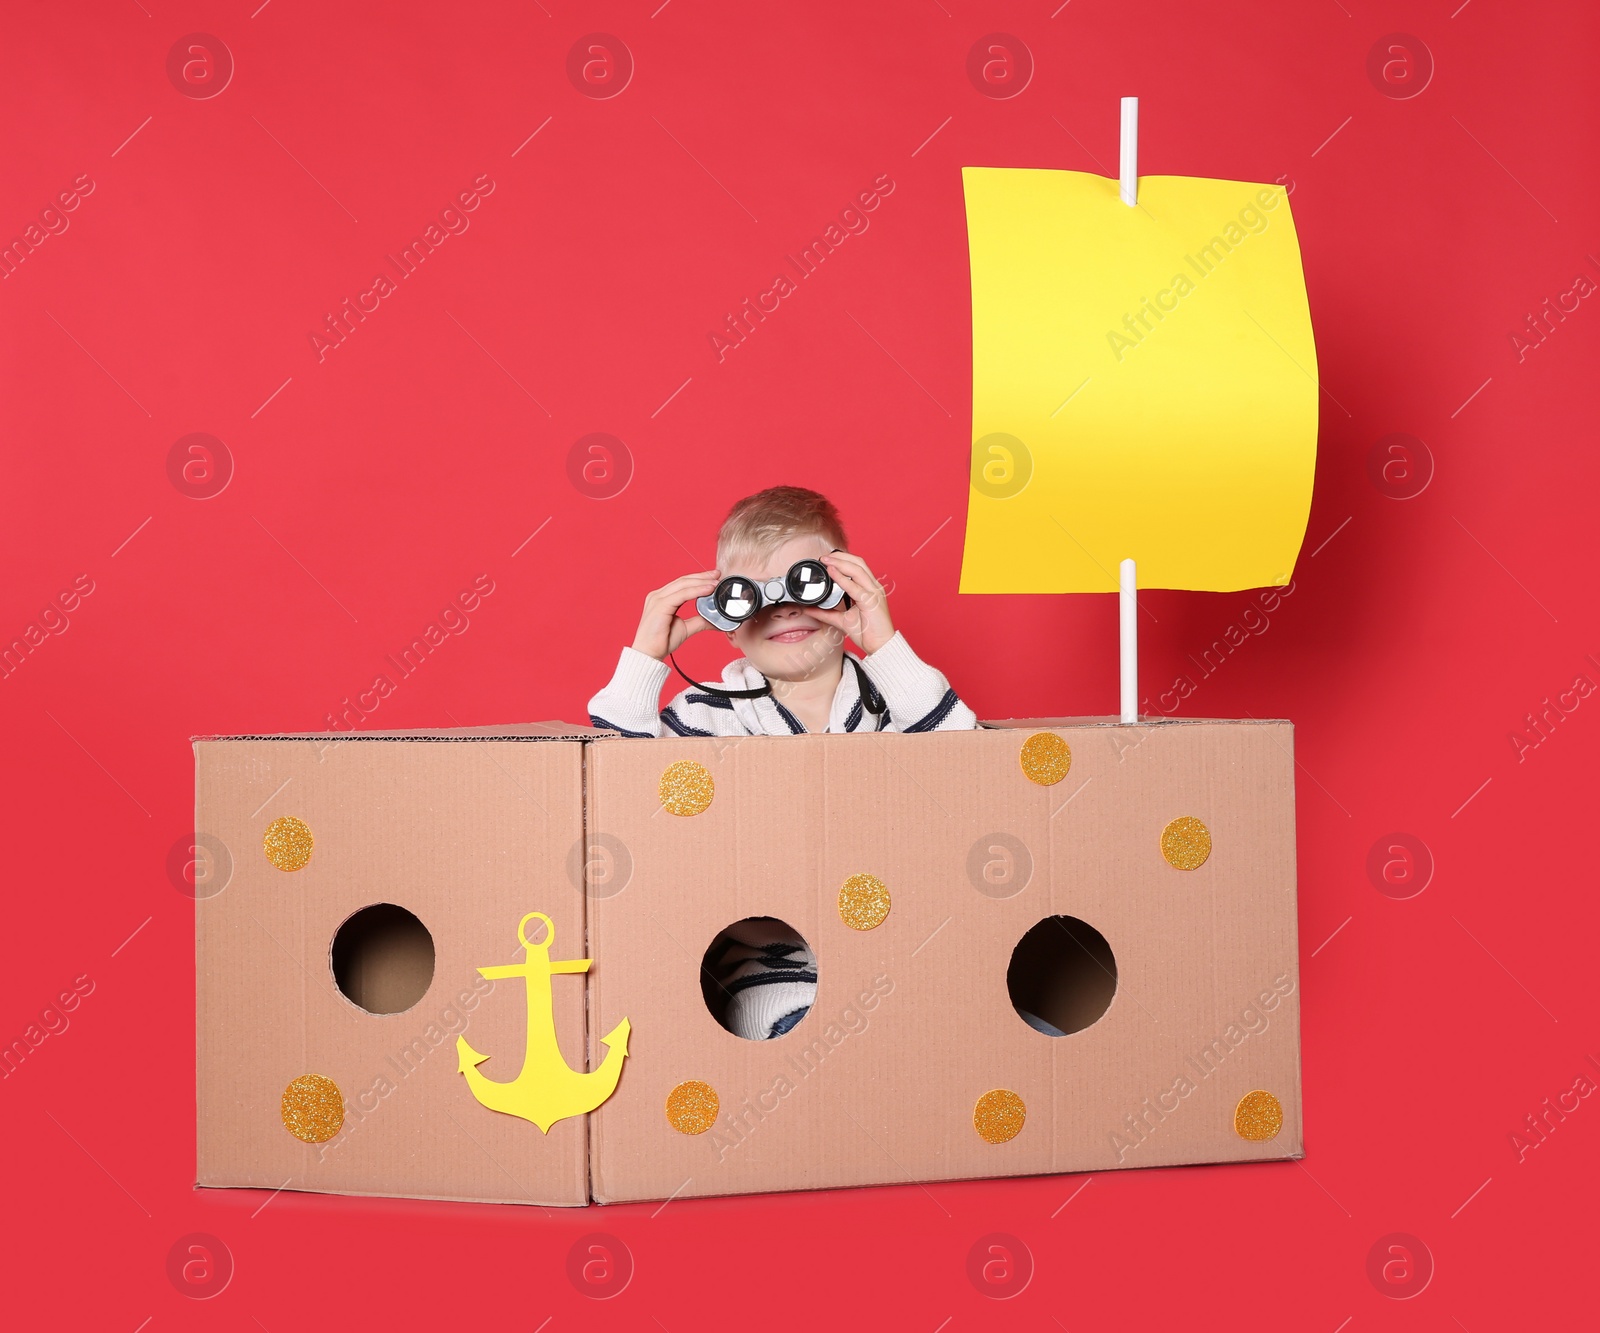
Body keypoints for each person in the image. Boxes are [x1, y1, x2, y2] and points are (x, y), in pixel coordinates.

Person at [587, 485, 978, 1039]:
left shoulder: (899, 699)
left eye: (807, 583)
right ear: (727, 618)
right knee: (805, 1030)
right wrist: (647, 656)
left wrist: (883, 642)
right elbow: (615, 789)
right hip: (771, 959)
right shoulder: (707, 716)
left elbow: (974, 773)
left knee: (968, 1016)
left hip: (902, 940)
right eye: (752, 596)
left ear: (847, 589)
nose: (784, 607)